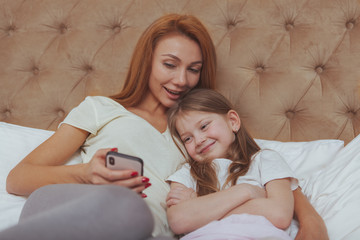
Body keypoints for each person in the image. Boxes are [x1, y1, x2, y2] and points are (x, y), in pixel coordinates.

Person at [2, 13, 327, 240]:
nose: (181, 80)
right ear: (147, 62)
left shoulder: (203, 134)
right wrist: (87, 173)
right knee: (123, 205)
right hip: (77, 205)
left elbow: (265, 172)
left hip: (157, 230)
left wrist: (312, 223)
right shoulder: (101, 108)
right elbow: (19, 178)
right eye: (169, 65)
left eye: (193, 69)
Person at [166, 88, 298, 239]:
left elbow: (279, 214)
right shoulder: (188, 173)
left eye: (204, 126)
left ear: (232, 121)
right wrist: (246, 191)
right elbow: (178, 221)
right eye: (187, 139)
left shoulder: (265, 160)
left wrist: (200, 208)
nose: (199, 140)